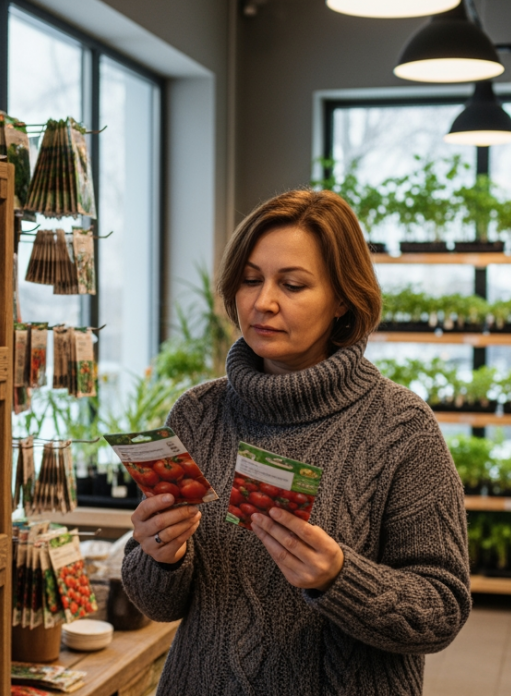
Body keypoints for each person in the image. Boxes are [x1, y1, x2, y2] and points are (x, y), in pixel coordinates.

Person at [121, 189, 471, 695]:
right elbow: (160, 604)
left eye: (292, 284)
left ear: (343, 300)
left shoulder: (401, 428)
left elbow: (442, 610)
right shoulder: (197, 414)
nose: (263, 302)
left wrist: (339, 577)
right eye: (250, 280)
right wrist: (158, 555)